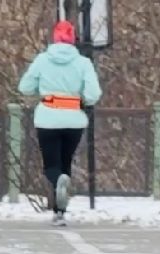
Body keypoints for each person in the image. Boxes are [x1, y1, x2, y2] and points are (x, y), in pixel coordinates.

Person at [17, 20, 101, 225]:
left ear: (54, 38)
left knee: (51, 166)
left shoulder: (42, 60)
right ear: (73, 39)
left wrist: (41, 88)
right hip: (74, 120)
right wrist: (82, 100)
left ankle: (57, 184)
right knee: (65, 161)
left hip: (48, 117)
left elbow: (25, 87)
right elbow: (93, 94)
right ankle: (60, 211)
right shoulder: (83, 63)